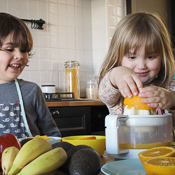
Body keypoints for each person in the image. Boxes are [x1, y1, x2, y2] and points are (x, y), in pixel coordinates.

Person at [98, 12, 175, 128]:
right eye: (132, 57)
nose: (141, 66)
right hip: (124, 146)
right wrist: (116, 74)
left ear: (162, 58)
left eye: (151, 57)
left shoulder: (169, 87)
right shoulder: (119, 91)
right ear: (117, 57)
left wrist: (172, 99)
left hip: (164, 146)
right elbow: (104, 94)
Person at [0, 12, 61, 138]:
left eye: (24, 50)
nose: (19, 56)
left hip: (33, 158)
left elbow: (52, 134)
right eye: (10, 49)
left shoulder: (31, 90)